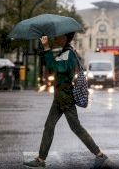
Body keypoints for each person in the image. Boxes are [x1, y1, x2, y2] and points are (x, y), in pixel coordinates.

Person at [24, 32, 108, 168]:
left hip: (64, 96)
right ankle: (41, 159)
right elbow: (55, 64)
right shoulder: (66, 52)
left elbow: (56, 67)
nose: (55, 38)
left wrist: (46, 49)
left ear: (64, 38)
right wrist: (45, 52)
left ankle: (99, 153)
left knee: (73, 127)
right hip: (61, 95)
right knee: (51, 126)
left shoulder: (68, 53)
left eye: (58, 37)